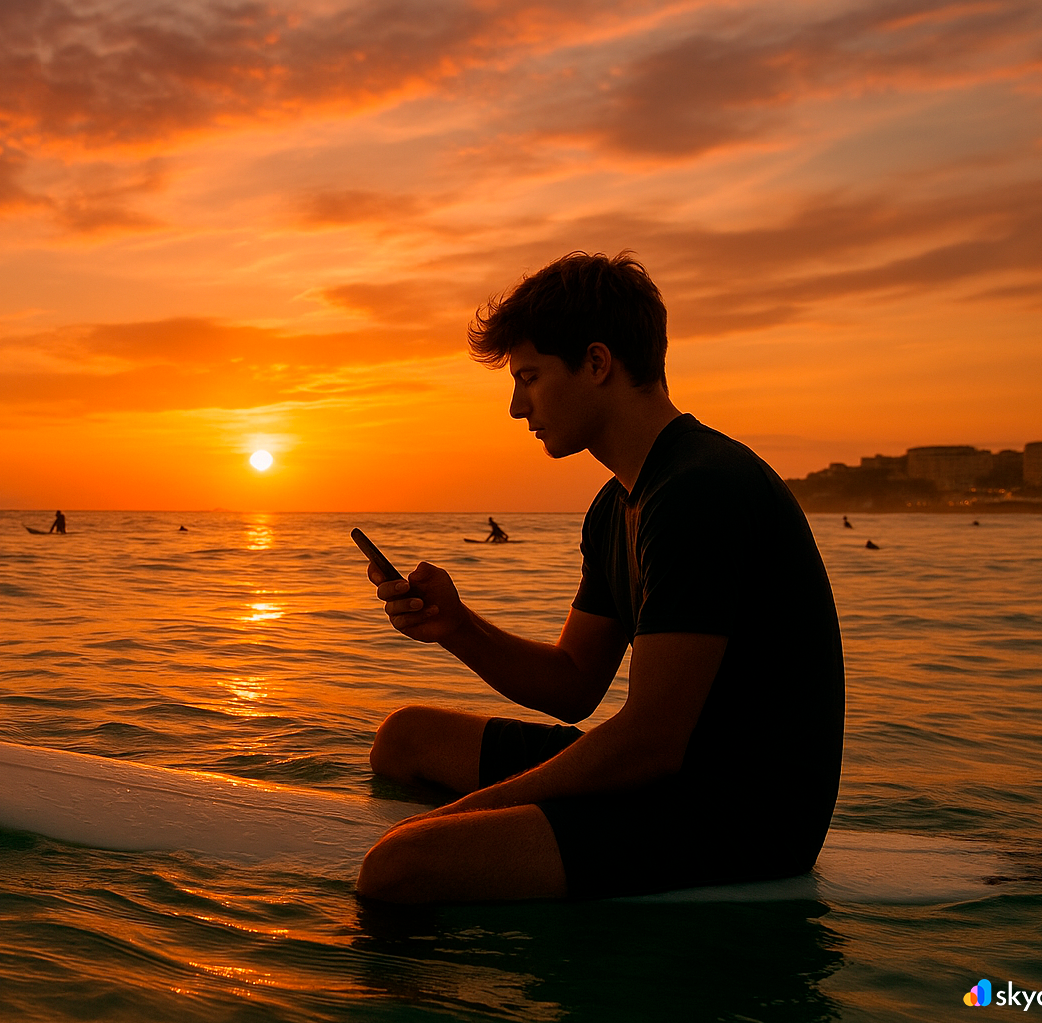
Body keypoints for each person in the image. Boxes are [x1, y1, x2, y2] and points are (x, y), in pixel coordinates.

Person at [356, 251, 844, 904]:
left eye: (528, 377)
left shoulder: (700, 491)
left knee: (399, 869)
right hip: (664, 781)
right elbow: (574, 685)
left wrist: (454, 822)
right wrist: (456, 627)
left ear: (596, 363)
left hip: (738, 819)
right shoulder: (617, 505)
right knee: (404, 740)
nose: (514, 406)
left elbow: (650, 743)